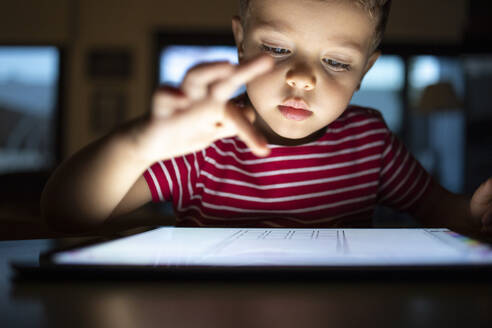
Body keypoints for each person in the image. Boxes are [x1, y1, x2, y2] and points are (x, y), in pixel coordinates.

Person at [41, 0, 492, 234]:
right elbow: (66, 214)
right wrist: (140, 142)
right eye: (277, 49)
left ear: (365, 72)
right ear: (242, 41)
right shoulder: (201, 140)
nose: (302, 78)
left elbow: (437, 208)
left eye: (336, 63)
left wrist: (470, 213)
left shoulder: (369, 139)